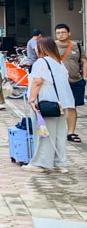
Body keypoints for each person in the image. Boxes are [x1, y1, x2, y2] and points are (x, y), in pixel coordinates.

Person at [28, 36, 74, 174]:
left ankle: (40, 163)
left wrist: (31, 100)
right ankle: (60, 163)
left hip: (45, 104)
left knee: (44, 133)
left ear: (42, 48)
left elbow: (37, 81)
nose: (35, 49)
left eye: (37, 46)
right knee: (59, 134)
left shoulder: (41, 62)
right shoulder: (59, 62)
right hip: (60, 104)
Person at [53, 23, 83, 143]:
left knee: (72, 107)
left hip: (75, 80)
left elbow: (84, 61)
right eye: (58, 33)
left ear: (69, 33)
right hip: (58, 82)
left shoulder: (77, 46)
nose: (61, 35)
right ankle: (56, 132)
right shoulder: (52, 46)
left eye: (63, 32)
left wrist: (84, 76)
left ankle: (70, 133)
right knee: (57, 107)